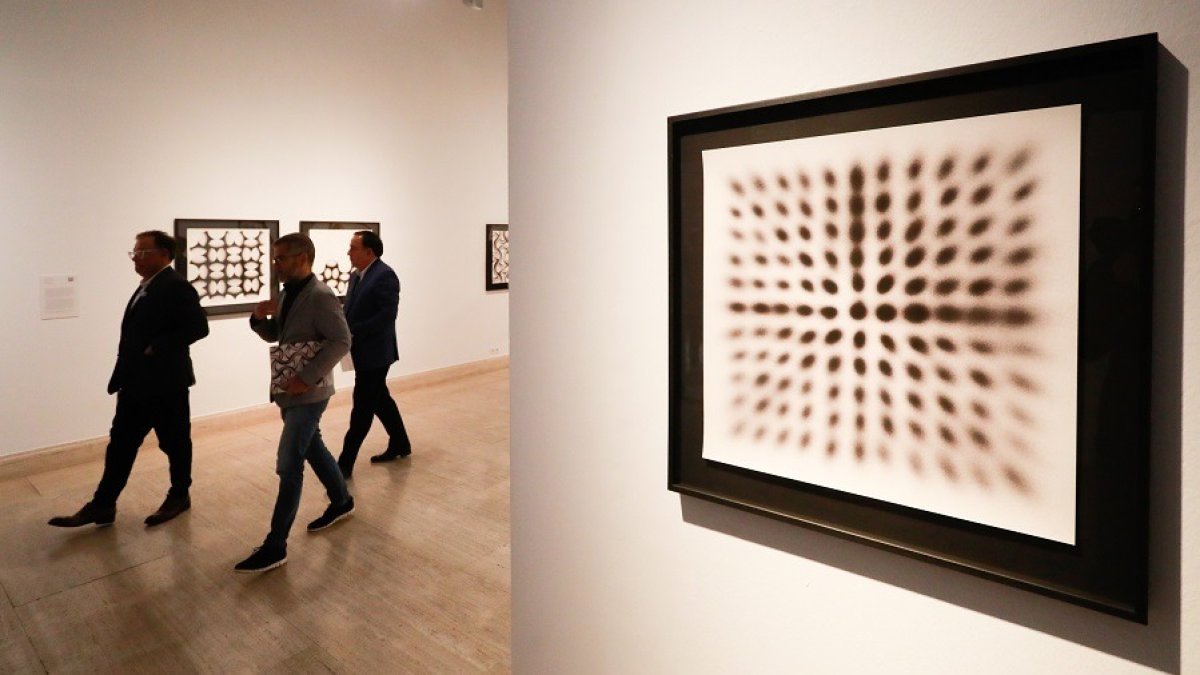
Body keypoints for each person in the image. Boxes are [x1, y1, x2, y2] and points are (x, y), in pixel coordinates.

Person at [49, 230, 209, 528]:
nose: (135, 257)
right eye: (134, 252)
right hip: (135, 383)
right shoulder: (147, 286)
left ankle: (179, 495)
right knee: (120, 445)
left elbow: (198, 327)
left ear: (163, 254)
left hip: (165, 384)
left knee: (175, 443)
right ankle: (103, 504)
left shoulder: (175, 286)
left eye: (142, 252)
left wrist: (157, 346)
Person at [235, 232, 354, 573]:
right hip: (290, 390)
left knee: (289, 464)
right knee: (311, 446)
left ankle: (276, 545)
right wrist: (260, 320)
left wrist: (308, 377)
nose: (276, 265)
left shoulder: (321, 295)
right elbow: (280, 336)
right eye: (275, 259)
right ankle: (342, 501)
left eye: (281, 258)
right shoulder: (288, 294)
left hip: (310, 393)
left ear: (302, 258)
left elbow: (342, 340)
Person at [336, 230, 412, 480]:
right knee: (380, 399)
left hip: (376, 353)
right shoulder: (356, 276)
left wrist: (353, 331)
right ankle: (401, 443)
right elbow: (351, 310)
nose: (349, 252)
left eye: (353, 248)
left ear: (369, 252)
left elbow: (386, 316)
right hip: (361, 351)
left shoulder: (385, 276)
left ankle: (344, 464)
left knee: (362, 406)